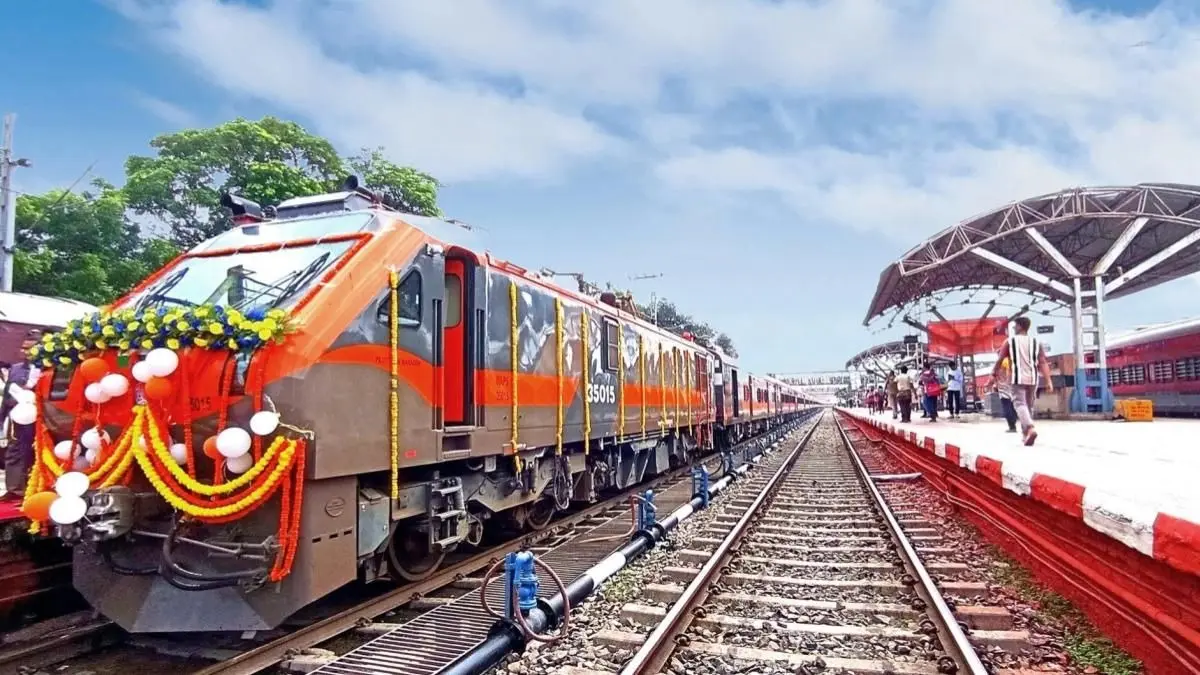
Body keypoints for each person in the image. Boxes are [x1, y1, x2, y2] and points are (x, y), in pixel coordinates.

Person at [992, 317, 1053, 446]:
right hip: (1033, 378)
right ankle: (1025, 434)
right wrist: (1048, 381)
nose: (1014, 328)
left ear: (1020, 326)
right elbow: (1042, 362)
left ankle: (1030, 428)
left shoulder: (1009, 341)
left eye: (1015, 326)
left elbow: (1000, 359)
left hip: (1017, 378)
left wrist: (994, 372)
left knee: (1019, 404)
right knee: (1028, 406)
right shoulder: (1036, 342)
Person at [1, 330, 43, 503]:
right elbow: (7, 393)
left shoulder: (47, 368)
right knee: (14, 452)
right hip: (17, 418)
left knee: (35, 453)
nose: (25, 352)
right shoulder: (16, 369)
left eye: (29, 349)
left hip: (40, 417)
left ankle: (33, 489)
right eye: (23, 348)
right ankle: (15, 490)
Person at [992, 357, 1018, 433]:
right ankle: (1013, 422)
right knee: (1013, 407)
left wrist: (995, 384)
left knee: (1006, 407)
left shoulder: (1000, 363)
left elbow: (994, 376)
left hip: (1003, 389)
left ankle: (1012, 426)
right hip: (1013, 388)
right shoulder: (1012, 361)